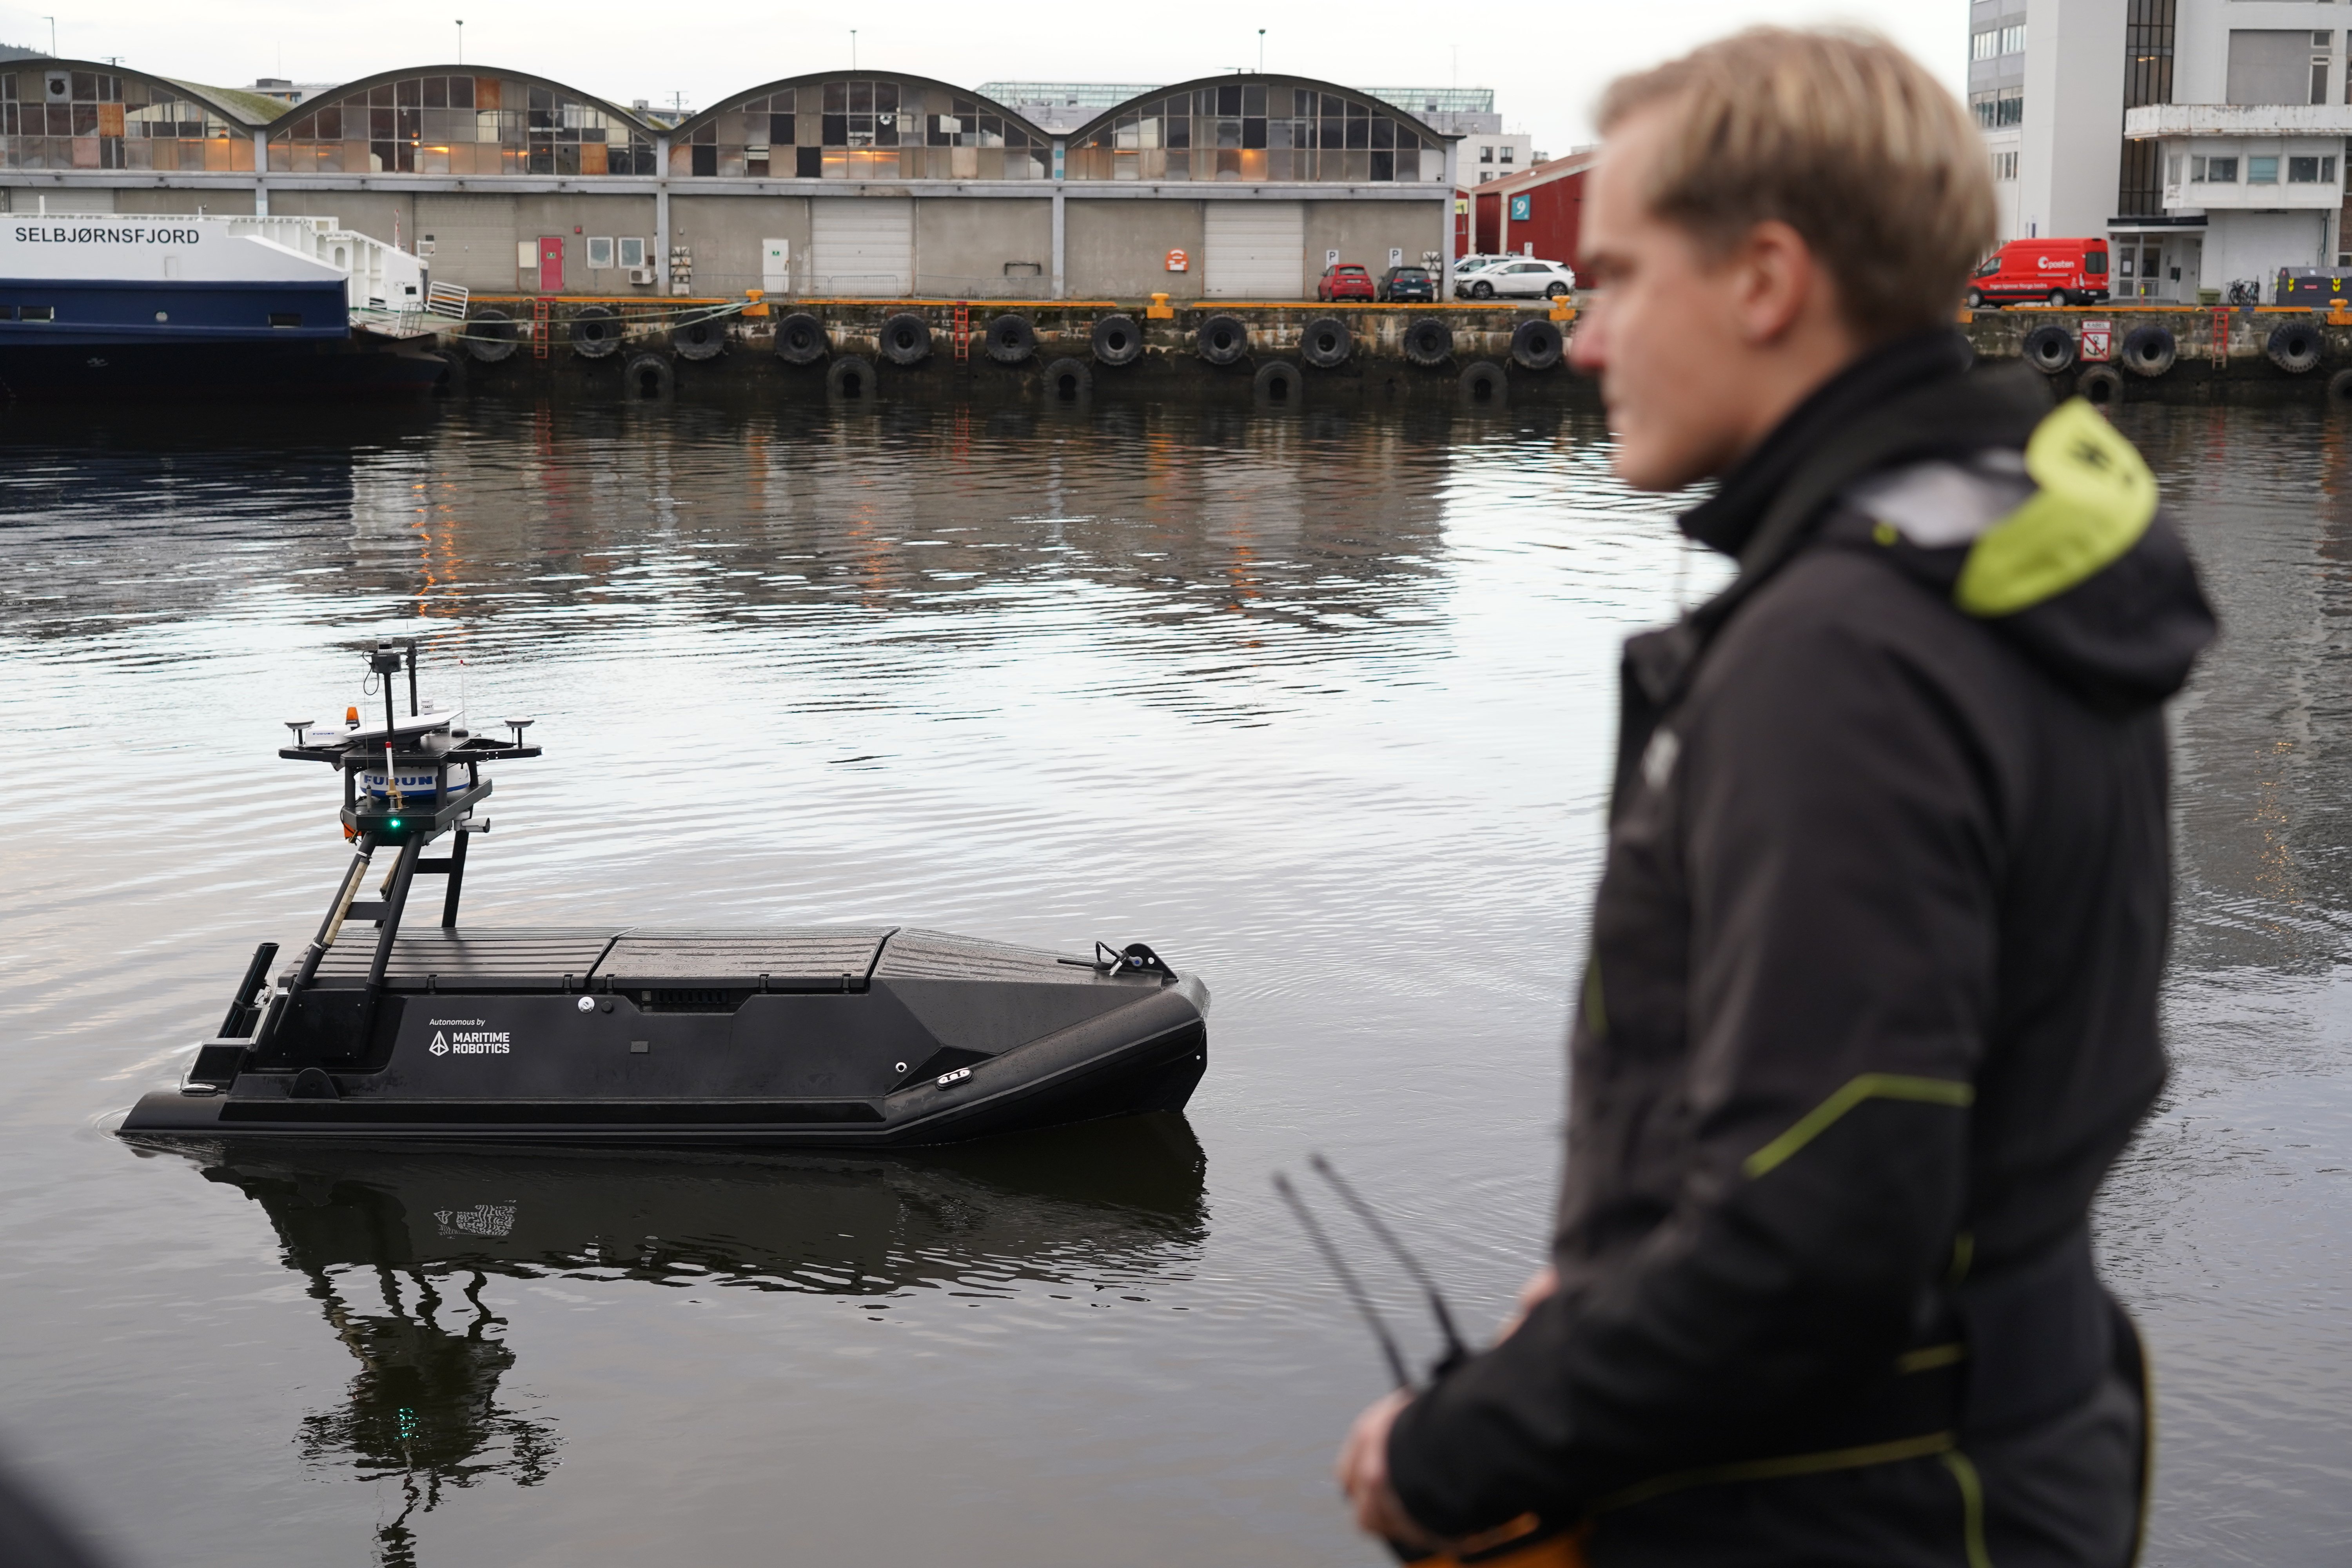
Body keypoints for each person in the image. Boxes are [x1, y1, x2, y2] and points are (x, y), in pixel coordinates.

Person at [1336, 26, 2216, 1567]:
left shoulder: (1840, 655)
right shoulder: (2020, 576)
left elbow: (1814, 1238)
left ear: (1764, 278)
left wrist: (1463, 1443)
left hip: (1839, 1505)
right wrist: (1620, 1283)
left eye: (1614, 279)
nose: (1584, 339)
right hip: (2017, 1453)